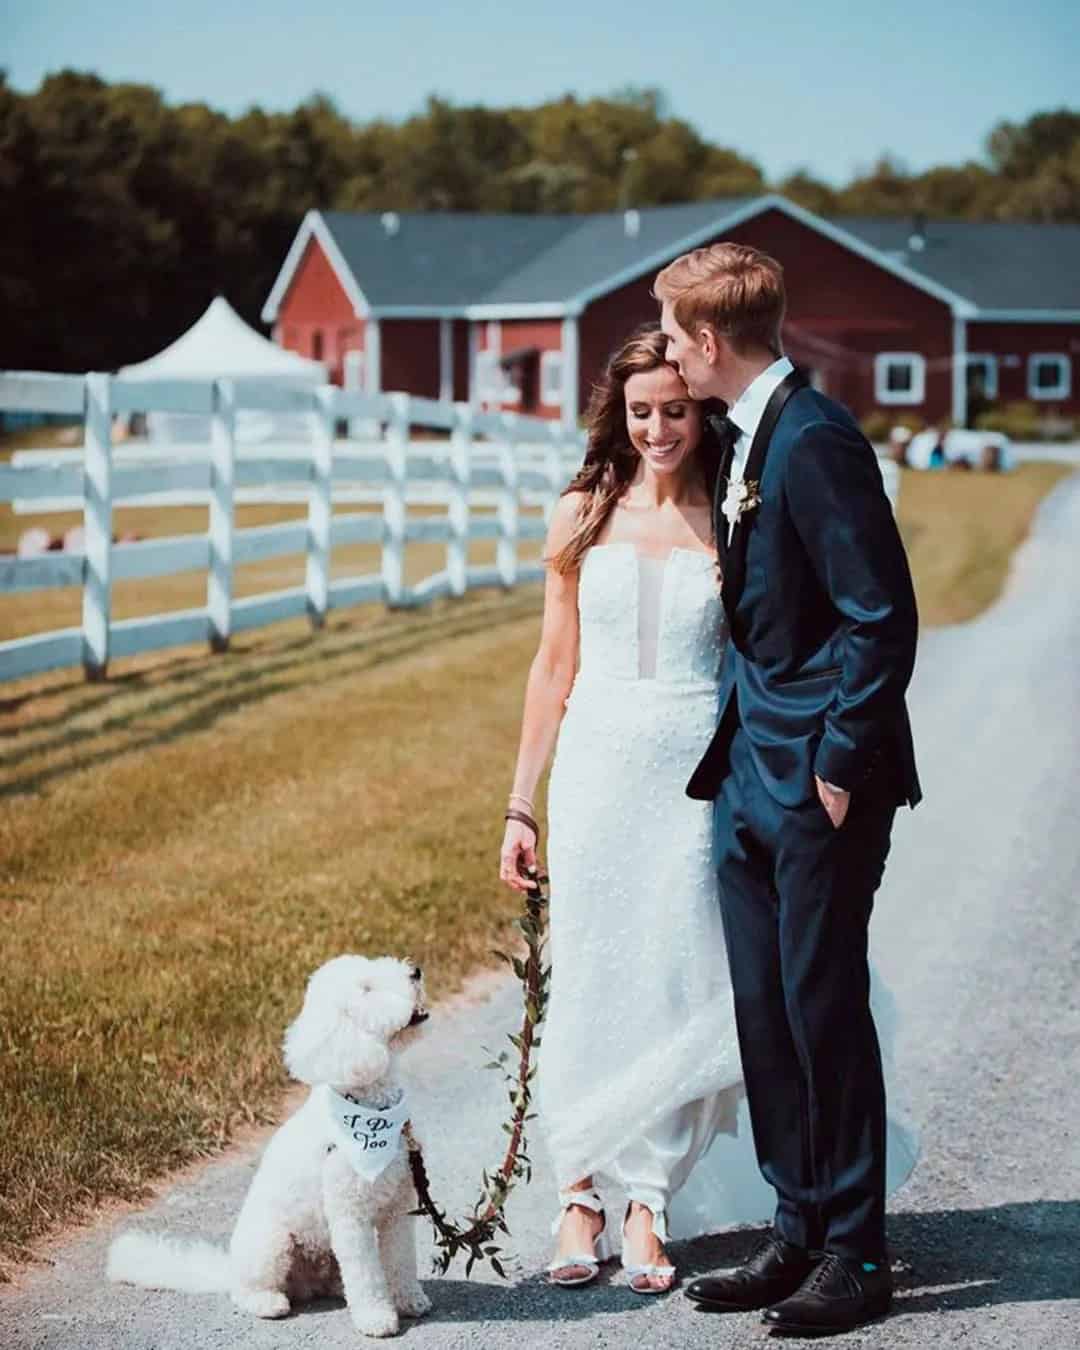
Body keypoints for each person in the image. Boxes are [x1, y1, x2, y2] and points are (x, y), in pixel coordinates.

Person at [498, 326, 916, 1301]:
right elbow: (552, 664)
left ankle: (649, 1199)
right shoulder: (578, 512)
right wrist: (521, 802)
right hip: (598, 770)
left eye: (674, 410)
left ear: (701, 410)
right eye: (640, 411)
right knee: (592, 975)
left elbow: (789, 636)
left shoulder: (732, 512)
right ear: (617, 413)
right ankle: (578, 1192)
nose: (656, 429)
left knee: (684, 982)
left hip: (698, 770)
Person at [656, 243, 920, 1334]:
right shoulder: (747, 434)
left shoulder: (814, 440)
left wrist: (840, 765)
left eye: (674, 333)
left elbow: (881, 613)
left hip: (818, 779)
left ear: (712, 341)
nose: (668, 352)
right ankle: (798, 1226)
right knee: (765, 1012)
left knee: (821, 1008)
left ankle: (856, 1253)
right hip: (747, 768)